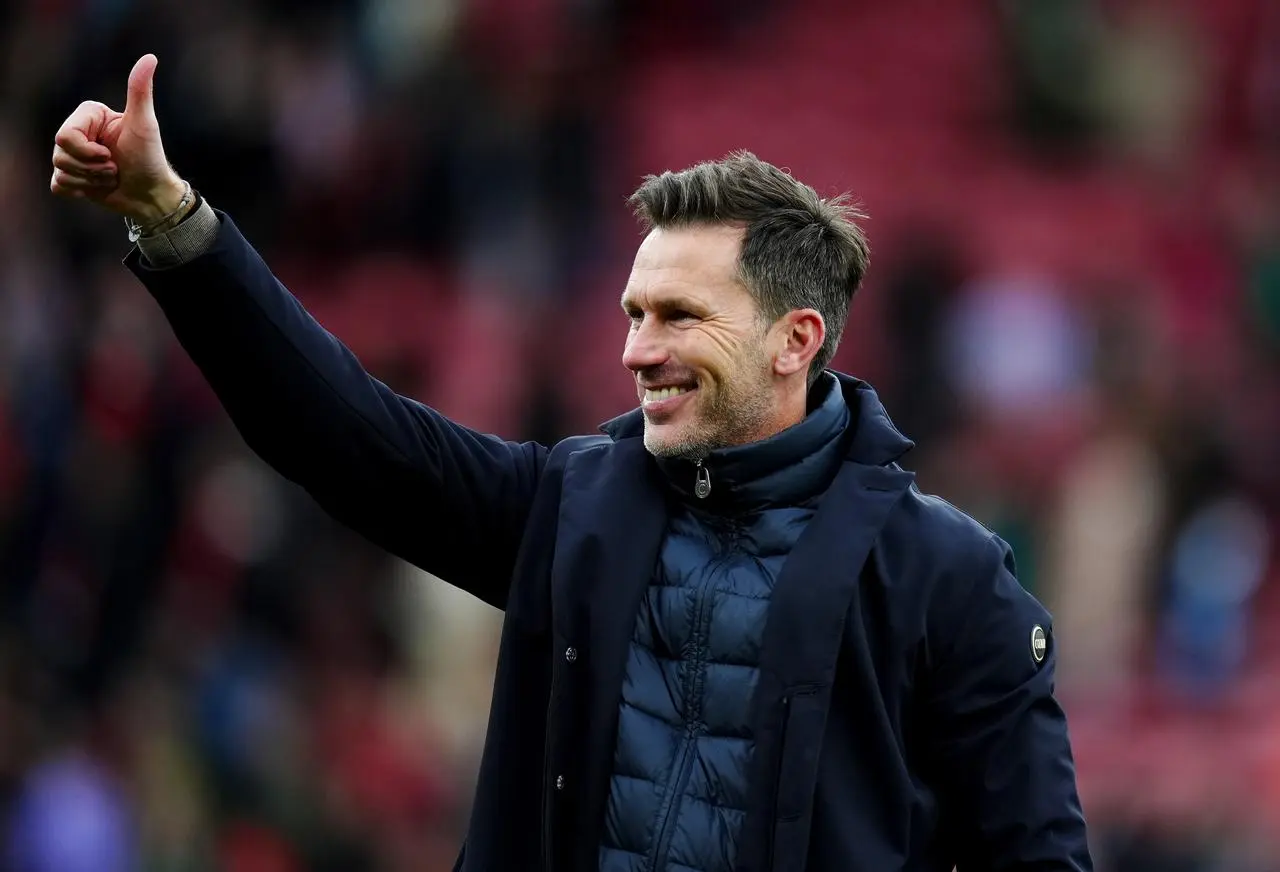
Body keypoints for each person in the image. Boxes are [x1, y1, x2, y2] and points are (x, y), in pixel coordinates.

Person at [49, 55, 1093, 872]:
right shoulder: (569, 502)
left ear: (795, 338)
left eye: (680, 315)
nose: (638, 347)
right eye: (634, 313)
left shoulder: (949, 581)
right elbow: (341, 434)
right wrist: (175, 224)